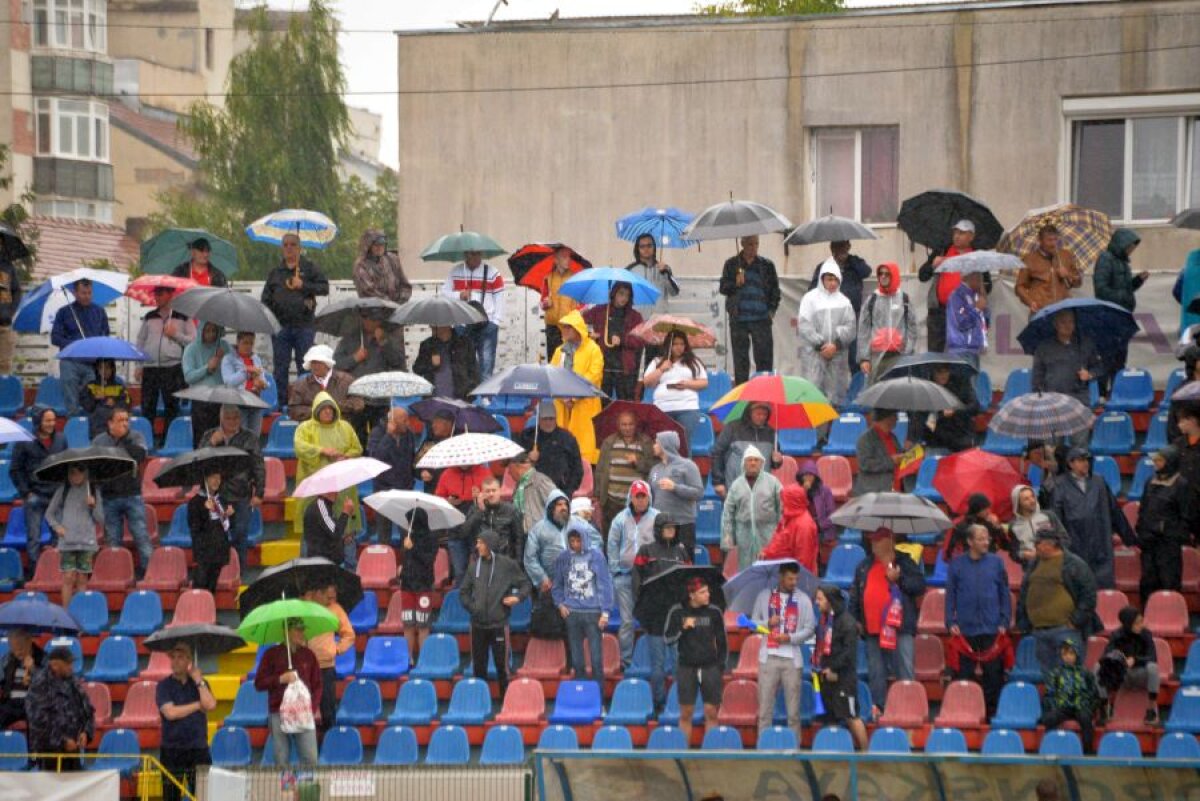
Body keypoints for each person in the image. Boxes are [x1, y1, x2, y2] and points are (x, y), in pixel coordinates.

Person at [849, 527, 926, 714]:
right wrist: (856, 619)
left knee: (904, 667)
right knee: (876, 671)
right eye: (873, 540)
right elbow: (855, 596)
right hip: (873, 628)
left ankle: (908, 707)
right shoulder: (864, 566)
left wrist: (899, 580)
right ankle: (879, 707)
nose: (873, 543)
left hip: (900, 626)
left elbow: (919, 587)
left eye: (878, 540)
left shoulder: (905, 562)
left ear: (890, 541)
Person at [945, 523, 1011, 715]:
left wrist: (1004, 621)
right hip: (966, 629)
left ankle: (992, 716)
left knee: (994, 676)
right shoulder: (956, 565)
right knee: (963, 675)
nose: (986, 542)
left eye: (987, 538)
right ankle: (963, 713)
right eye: (981, 539)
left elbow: (1004, 593)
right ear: (970, 541)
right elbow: (950, 596)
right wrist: (950, 621)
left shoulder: (997, 562)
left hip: (992, 628)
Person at [1016, 526, 1100, 675]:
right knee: (1049, 678)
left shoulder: (1074, 564)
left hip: (1065, 630)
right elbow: (1025, 592)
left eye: (1038, 543)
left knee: (1070, 676)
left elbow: (1088, 595)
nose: (1035, 547)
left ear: (1050, 544)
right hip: (1039, 630)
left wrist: (1075, 621)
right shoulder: (1034, 564)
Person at [459, 530, 531, 698]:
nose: (477, 546)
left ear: (490, 544)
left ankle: (506, 701)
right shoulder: (473, 566)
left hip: (498, 624)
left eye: (481, 543)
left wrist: (517, 598)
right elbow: (463, 592)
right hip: (477, 625)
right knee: (479, 667)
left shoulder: (507, 565)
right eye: (477, 542)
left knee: (502, 667)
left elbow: (525, 584)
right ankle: (479, 701)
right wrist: (473, 607)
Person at [750, 562, 816, 744]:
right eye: (789, 578)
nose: (793, 582)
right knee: (764, 711)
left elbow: (810, 628)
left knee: (793, 712)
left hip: (792, 660)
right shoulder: (764, 596)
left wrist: (790, 638)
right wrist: (767, 624)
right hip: (768, 657)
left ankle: (795, 750)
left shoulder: (803, 599)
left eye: (796, 578)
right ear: (781, 577)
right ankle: (763, 747)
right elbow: (753, 625)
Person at [1052, 447, 1135, 589]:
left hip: (1100, 542)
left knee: (1102, 587)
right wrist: (1060, 544)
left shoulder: (1099, 482)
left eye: (1087, 460)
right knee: (1077, 588)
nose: (1085, 463)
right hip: (1074, 543)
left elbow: (1114, 510)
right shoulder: (1059, 485)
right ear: (1070, 464)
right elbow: (1056, 517)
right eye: (1081, 460)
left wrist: (1129, 538)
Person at [632, 514, 690, 709]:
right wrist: (643, 607)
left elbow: (690, 580)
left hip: (675, 614)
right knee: (657, 666)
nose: (671, 531)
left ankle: (675, 703)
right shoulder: (646, 551)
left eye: (673, 527)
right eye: (667, 527)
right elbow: (636, 582)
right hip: (654, 615)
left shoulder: (681, 552)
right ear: (658, 529)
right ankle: (658, 703)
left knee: (676, 664)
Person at [261, 232, 330, 394]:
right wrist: (273, 318)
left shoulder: (309, 268)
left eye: (293, 244)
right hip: (280, 328)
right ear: (282, 248)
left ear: (300, 248)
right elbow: (265, 299)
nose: (289, 248)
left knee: (305, 366)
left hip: (304, 326)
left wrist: (304, 285)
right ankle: (282, 403)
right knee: (281, 367)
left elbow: (324, 288)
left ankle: (304, 402)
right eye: (285, 245)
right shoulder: (275, 272)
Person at [664, 577, 727, 745]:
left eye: (708, 591)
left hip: (710, 667)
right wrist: (682, 628)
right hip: (686, 667)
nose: (708, 595)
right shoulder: (678, 611)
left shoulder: (714, 612)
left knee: (711, 712)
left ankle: (711, 754)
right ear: (692, 595)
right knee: (686, 713)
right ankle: (683, 754)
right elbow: (667, 638)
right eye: (703, 592)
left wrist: (720, 667)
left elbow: (722, 642)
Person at [202, 405, 265, 569]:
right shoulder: (209, 435)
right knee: (216, 536)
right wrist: (211, 443)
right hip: (216, 494)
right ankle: (220, 572)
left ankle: (240, 572)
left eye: (236, 418)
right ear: (221, 418)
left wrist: (259, 492)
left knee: (240, 534)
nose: (233, 421)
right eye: (229, 418)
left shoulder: (250, 437)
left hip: (241, 493)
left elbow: (258, 465)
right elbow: (199, 460)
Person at [91, 409, 151, 579]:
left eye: (126, 420)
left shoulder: (135, 436)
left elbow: (140, 455)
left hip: (132, 494)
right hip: (109, 496)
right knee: (113, 539)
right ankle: (115, 573)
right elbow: (95, 467)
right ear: (110, 423)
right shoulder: (99, 441)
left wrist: (123, 440)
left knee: (141, 535)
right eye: (120, 420)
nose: (125, 423)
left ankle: (148, 571)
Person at [294, 391, 363, 538]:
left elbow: (357, 448)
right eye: (324, 408)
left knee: (344, 526)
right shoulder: (305, 428)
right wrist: (322, 450)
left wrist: (345, 456)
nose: (328, 411)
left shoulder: (345, 427)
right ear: (317, 410)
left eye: (330, 408)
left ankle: (347, 557)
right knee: (314, 528)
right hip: (315, 485)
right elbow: (300, 447)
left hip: (342, 484)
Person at [254, 619, 321, 765]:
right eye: (297, 629)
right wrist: (280, 679)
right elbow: (259, 683)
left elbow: (317, 685)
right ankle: (287, 788)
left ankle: (306, 788)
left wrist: (312, 707)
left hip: (304, 712)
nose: (302, 633)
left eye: (303, 629)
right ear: (286, 631)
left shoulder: (309, 655)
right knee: (281, 758)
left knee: (310, 757)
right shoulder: (271, 654)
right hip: (278, 711)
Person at [608, 480, 659, 668]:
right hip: (625, 576)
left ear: (648, 497)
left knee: (651, 619)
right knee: (627, 621)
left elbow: (663, 544)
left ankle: (650, 660)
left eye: (643, 496)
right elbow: (612, 544)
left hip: (649, 578)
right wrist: (615, 571)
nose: (640, 501)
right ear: (631, 497)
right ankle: (626, 662)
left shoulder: (657, 518)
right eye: (637, 496)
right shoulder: (620, 519)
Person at [552, 528, 614, 683]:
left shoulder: (596, 555)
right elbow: (557, 584)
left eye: (578, 540)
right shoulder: (563, 557)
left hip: (593, 612)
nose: (575, 544)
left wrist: (605, 611)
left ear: (585, 539)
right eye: (572, 541)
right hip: (572, 612)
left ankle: (598, 701)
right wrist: (560, 604)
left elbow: (605, 584)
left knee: (596, 660)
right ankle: (581, 696)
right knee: (577, 660)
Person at [157, 644, 216, 801]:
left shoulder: (200, 684)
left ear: (189, 660)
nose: (175, 661)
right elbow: (170, 713)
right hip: (172, 751)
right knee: (171, 797)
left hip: (198, 749)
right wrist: (197, 705)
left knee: (203, 796)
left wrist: (199, 681)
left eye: (181, 657)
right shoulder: (164, 686)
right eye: (173, 657)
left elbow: (210, 705)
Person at [11, 407, 66, 575]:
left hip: (56, 495)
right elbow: (15, 470)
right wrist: (26, 492)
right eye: (47, 420)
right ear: (38, 422)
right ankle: (36, 572)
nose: (51, 424)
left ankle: (57, 571)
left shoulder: (62, 439)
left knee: (59, 536)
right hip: (35, 495)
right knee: (33, 537)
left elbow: (66, 465)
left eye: (53, 420)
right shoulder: (24, 442)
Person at [135, 286, 194, 445]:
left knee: (171, 407)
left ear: (170, 295)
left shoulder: (183, 316)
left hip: (172, 368)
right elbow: (140, 341)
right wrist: (138, 365)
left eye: (160, 294)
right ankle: (146, 440)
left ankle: (169, 441)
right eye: (155, 294)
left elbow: (193, 341)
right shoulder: (149, 316)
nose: (157, 297)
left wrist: (175, 335)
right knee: (147, 406)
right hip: (150, 367)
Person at [813, 584, 868, 750]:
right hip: (826, 678)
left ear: (830, 601)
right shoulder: (823, 621)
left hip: (844, 679)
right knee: (830, 719)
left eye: (820, 599)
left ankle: (866, 753)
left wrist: (834, 669)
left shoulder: (847, 623)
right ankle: (834, 751)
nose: (817, 602)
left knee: (851, 717)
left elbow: (849, 653)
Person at [720, 235, 780, 384]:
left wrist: (771, 311)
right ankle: (742, 396)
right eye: (750, 244)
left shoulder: (767, 265)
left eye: (756, 244)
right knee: (740, 362)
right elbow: (723, 288)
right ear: (742, 244)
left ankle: (764, 393)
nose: (753, 248)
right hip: (739, 320)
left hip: (761, 320)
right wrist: (736, 282)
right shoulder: (732, 264)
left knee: (764, 360)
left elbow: (775, 291)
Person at [1092, 229, 1147, 394]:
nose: (1131, 250)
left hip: (1122, 318)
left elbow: (1126, 288)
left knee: (1120, 360)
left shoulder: (1123, 262)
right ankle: (1101, 394)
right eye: (1129, 246)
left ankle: (1116, 393)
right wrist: (1123, 296)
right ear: (1121, 244)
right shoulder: (1105, 259)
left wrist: (1137, 281)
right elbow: (1101, 290)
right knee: (1106, 358)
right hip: (1108, 318)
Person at [25, 646, 94, 772]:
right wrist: (62, 741)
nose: (71, 667)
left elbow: (87, 709)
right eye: (68, 664)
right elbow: (38, 721)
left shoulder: (73, 682)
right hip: (50, 753)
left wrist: (86, 732)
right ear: (55, 665)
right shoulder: (40, 685)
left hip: (73, 750)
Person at [797, 260, 856, 405]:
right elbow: (804, 325)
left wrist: (835, 345)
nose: (833, 283)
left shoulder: (844, 302)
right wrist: (821, 345)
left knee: (836, 396)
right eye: (829, 279)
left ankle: (833, 426)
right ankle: (815, 427)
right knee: (813, 394)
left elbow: (851, 327)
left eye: (836, 279)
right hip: (815, 356)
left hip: (837, 356)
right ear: (822, 278)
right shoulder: (810, 299)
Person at [1031, 310, 1102, 430]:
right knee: (1053, 445)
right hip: (1052, 401)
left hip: (1079, 401)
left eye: (1071, 322)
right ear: (1055, 324)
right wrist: (1040, 398)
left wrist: (1089, 374)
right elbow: (1037, 376)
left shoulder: (1085, 344)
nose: (1067, 325)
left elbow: (1100, 367)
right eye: (1063, 322)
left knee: (1079, 445)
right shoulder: (1044, 347)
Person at [441, 249, 505, 380]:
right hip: (462, 325)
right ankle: (466, 396)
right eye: (473, 254)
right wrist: (459, 295)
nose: (477, 257)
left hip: (486, 325)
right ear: (465, 255)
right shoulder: (455, 272)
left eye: (479, 253)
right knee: (462, 364)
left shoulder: (493, 273)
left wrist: (496, 322)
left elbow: (500, 298)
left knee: (486, 365)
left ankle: (486, 397)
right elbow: (444, 294)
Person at [550, 310, 604, 462]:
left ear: (577, 329)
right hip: (562, 406)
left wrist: (573, 397)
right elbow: (552, 377)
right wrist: (563, 398)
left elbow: (593, 377)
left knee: (584, 445)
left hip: (585, 405)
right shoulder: (559, 351)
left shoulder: (593, 349)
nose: (565, 331)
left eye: (568, 327)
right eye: (564, 327)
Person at [51, 278, 110, 417]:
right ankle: (73, 422)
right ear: (74, 292)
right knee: (71, 396)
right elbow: (55, 337)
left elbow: (105, 335)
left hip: (93, 363)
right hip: (70, 361)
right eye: (83, 293)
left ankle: (91, 425)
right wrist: (74, 344)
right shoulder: (64, 312)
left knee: (92, 397)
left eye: (89, 292)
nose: (87, 296)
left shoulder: (100, 311)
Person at [1137, 445, 1191, 597]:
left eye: (1160, 460)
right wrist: (1142, 531)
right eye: (1156, 460)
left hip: (1168, 545)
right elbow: (1143, 508)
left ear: (1170, 461)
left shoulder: (1181, 484)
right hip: (1148, 542)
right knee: (1148, 583)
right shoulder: (1150, 481)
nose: (1156, 463)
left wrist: (1167, 531)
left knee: (1168, 582)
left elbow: (1185, 516)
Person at [352, 229, 411, 365]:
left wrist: (399, 304)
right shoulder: (361, 266)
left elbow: (405, 286)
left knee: (398, 361)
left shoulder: (393, 259)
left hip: (395, 320)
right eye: (376, 244)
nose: (380, 247)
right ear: (368, 245)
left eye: (382, 244)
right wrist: (391, 305)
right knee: (376, 363)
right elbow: (369, 292)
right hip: (373, 321)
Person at [302, 583, 354, 736]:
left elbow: (349, 634)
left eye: (334, 597)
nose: (332, 600)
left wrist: (336, 649)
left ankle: (329, 744)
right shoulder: (303, 608)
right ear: (317, 592)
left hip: (326, 666)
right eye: (329, 597)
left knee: (328, 709)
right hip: (305, 666)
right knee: (305, 709)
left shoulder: (336, 609)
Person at [46, 465, 102, 607]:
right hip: (67, 542)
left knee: (83, 578)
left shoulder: (94, 490)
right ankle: (67, 614)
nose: (75, 477)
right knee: (68, 577)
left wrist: (93, 506)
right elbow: (49, 513)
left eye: (78, 473)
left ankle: (80, 611)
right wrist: (57, 526)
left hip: (86, 541)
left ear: (85, 473)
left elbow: (101, 519)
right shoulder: (63, 490)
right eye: (72, 474)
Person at [917, 219, 977, 353]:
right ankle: (934, 374)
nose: (957, 235)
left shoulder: (977, 256)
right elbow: (922, 275)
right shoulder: (942, 250)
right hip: (939, 312)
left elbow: (987, 286)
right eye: (955, 231)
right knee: (935, 354)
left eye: (961, 232)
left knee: (961, 355)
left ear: (971, 236)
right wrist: (932, 265)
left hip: (963, 313)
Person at [525, 490, 601, 595]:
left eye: (566, 504)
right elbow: (530, 558)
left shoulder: (578, 523)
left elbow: (596, 540)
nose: (564, 507)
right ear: (551, 508)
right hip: (550, 585)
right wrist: (541, 578)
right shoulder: (538, 529)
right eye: (559, 504)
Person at [594, 409, 655, 535]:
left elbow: (653, 467)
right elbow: (600, 469)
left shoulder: (645, 442)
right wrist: (598, 494)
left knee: (634, 537)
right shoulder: (609, 442)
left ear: (636, 424)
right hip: (611, 501)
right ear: (618, 425)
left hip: (636, 502)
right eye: (624, 424)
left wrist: (637, 462)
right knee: (610, 537)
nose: (627, 428)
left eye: (630, 424)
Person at [815, 240, 872, 374]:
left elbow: (867, 271)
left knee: (855, 357)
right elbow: (813, 289)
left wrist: (850, 260)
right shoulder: (824, 267)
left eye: (844, 246)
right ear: (831, 248)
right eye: (837, 246)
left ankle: (857, 390)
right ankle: (831, 392)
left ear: (849, 246)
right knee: (830, 356)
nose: (841, 250)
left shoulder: (855, 263)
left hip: (853, 315)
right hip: (830, 318)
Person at [720, 446, 783, 567]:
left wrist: (780, 536)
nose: (753, 463)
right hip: (744, 538)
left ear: (762, 463)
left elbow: (782, 509)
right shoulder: (736, 485)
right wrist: (727, 536)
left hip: (769, 537)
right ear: (744, 463)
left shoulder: (773, 482)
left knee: (769, 572)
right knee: (746, 573)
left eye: (756, 460)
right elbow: (728, 512)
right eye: (749, 460)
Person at [642, 329, 709, 439]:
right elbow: (647, 383)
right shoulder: (657, 361)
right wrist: (661, 369)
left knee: (684, 442)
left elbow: (704, 383)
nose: (679, 347)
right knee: (664, 443)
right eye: (675, 344)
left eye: (682, 344)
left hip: (687, 408)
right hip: (663, 408)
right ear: (669, 345)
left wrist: (687, 384)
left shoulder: (693, 361)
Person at [582, 282, 644, 401]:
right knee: (602, 403)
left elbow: (639, 340)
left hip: (624, 369)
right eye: (621, 294)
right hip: (603, 366)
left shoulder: (635, 316)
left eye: (627, 295)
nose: (624, 298)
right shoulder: (599, 311)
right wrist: (589, 334)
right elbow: (579, 324)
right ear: (614, 293)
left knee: (625, 405)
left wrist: (622, 340)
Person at [435, 460, 493, 583]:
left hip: (478, 530)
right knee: (460, 571)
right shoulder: (446, 474)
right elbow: (438, 500)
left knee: (481, 570)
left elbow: (493, 497)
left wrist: (481, 497)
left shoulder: (484, 472)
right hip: (455, 528)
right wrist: (448, 501)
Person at [1100, 606, 1160, 724]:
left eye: (1142, 622)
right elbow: (1106, 656)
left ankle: (1151, 709)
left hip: (1141, 673)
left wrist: (1136, 660)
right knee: (1099, 668)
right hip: (1122, 675)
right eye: (1137, 623)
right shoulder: (1116, 635)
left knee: (1153, 668)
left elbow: (1153, 657)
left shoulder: (1146, 634)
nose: (1141, 625)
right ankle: (1105, 708)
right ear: (1128, 624)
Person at [710, 402, 783, 499]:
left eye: (764, 414)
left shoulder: (771, 432)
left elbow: (774, 463)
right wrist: (718, 482)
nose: (762, 417)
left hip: (762, 491)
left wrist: (777, 461)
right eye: (758, 414)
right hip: (734, 487)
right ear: (749, 413)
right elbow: (717, 453)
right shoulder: (732, 428)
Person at [856, 262, 916, 380]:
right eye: (880, 274)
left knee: (899, 389)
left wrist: (908, 352)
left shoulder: (904, 299)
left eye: (887, 274)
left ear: (894, 275)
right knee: (878, 389)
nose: (883, 276)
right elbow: (863, 330)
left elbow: (912, 328)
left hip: (899, 355)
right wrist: (864, 358)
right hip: (877, 356)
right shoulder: (872, 299)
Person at [1040, 639, 1100, 753]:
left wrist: (1088, 706)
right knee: (1050, 718)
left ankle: (1087, 752)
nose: (1068, 657)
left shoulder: (1085, 673)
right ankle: (1050, 750)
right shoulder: (1056, 673)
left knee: (1086, 719)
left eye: (1071, 653)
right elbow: (1050, 693)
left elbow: (1093, 692)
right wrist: (1054, 707)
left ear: (1077, 654)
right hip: (1062, 707)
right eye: (1065, 654)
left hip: (1081, 706)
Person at [367, 407, 416, 545]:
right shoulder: (377, 433)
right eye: (404, 420)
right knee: (383, 534)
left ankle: (407, 565)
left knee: (407, 534)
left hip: (404, 490)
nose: (408, 423)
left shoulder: (409, 434)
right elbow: (376, 458)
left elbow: (411, 459)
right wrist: (388, 436)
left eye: (408, 419)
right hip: (383, 490)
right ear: (393, 421)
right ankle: (384, 564)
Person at [648, 431, 703, 553]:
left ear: (665, 445)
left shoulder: (688, 465)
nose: (654, 446)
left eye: (656, 443)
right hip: (660, 525)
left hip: (682, 524)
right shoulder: (655, 469)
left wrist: (675, 487)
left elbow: (698, 493)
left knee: (685, 564)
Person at [516, 400, 583, 497]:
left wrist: (568, 491)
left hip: (560, 490)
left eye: (551, 419)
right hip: (532, 490)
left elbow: (577, 469)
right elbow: (516, 463)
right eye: (545, 419)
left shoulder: (567, 438)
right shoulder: (527, 436)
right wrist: (528, 458)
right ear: (538, 419)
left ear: (556, 419)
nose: (548, 422)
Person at [182, 322, 232, 447]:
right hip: (200, 401)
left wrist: (224, 360)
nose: (210, 334)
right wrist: (207, 368)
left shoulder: (224, 346)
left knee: (221, 440)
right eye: (207, 330)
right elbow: (188, 377)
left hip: (221, 400)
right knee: (201, 440)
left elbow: (233, 372)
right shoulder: (191, 349)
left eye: (214, 330)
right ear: (201, 331)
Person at [397, 508, 439, 659]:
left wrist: (413, 548)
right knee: (408, 624)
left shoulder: (432, 538)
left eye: (410, 522)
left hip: (424, 586)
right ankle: (408, 659)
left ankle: (423, 660)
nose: (408, 526)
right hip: (407, 585)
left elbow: (428, 561)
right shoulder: (407, 537)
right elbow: (406, 559)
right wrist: (401, 568)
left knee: (423, 625)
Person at [286, 344, 363, 423]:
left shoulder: (346, 381)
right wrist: (317, 411)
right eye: (313, 362)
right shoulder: (300, 385)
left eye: (319, 362)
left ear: (328, 364)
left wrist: (334, 407)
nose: (315, 366)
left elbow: (359, 403)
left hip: (340, 430)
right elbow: (292, 410)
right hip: (312, 431)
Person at [910, 364, 979, 453]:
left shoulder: (961, 384)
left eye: (946, 371)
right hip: (936, 440)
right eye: (939, 372)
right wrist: (940, 415)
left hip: (960, 435)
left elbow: (975, 407)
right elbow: (921, 419)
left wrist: (956, 411)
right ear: (932, 372)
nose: (943, 375)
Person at [1016, 224, 1082, 313]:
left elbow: (1078, 282)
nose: (1054, 244)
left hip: (1064, 310)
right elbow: (1019, 287)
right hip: (1041, 310)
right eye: (1049, 240)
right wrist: (1030, 302)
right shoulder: (1029, 259)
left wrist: (1068, 275)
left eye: (1055, 239)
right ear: (1040, 240)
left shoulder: (1066, 255)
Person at [188, 468, 232, 593]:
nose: (216, 481)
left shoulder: (222, 500)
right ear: (205, 479)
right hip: (204, 552)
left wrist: (229, 515)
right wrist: (204, 510)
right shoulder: (195, 502)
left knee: (212, 587)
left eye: (218, 477)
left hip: (219, 550)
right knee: (201, 586)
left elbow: (227, 527)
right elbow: (195, 528)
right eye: (213, 477)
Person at [461, 475, 524, 560]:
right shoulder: (475, 509)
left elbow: (519, 539)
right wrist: (480, 511)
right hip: (482, 559)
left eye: (494, 490)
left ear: (500, 491)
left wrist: (517, 563)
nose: (491, 494)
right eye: (487, 491)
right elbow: (464, 532)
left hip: (504, 558)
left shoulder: (511, 510)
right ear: (482, 493)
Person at [760, 484, 819, 573]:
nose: (782, 503)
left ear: (792, 501)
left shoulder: (804, 525)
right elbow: (779, 541)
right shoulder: (789, 518)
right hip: (782, 572)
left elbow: (804, 558)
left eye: (784, 500)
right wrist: (767, 553)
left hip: (792, 578)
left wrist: (796, 579)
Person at [412, 325, 479, 401]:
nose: (431, 326)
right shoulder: (427, 345)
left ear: (447, 325)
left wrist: (470, 394)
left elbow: (474, 371)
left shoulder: (464, 343)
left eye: (435, 324)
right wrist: (431, 364)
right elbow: (417, 369)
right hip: (434, 400)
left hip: (460, 399)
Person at [221, 331, 269, 435]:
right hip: (237, 403)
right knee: (239, 437)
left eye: (251, 343)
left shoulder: (256, 358)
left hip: (255, 401)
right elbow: (228, 382)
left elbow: (263, 378)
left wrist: (262, 384)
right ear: (238, 342)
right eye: (245, 343)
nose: (248, 346)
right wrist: (246, 372)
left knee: (254, 437)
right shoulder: (228, 359)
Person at [539, 245, 582, 361]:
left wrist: (576, 312)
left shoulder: (575, 278)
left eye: (569, 257)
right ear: (556, 260)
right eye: (564, 257)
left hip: (569, 326)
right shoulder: (548, 277)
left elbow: (582, 303)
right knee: (553, 359)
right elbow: (542, 302)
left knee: (568, 359)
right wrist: (545, 303)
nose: (568, 260)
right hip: (552, 325)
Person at [1008, 484, 1067, 566]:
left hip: (1055, 565)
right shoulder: (1014, 526)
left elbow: (1065, 538)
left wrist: (1053, 550)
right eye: (1026, 499)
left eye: (1032, 496)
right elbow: (1014, 552)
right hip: (1032, 569)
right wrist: (1023, 555)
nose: (1032, 500)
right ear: (1018, 503)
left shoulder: (1049, 516)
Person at [333, 314, 408, 379]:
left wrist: (384, 343)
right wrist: (354, 358)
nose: (369, 321)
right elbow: (336, 364)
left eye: (373, 318)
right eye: (365, 317)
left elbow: (398, 362)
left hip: (380, 388)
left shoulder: (390, 336)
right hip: (354, 388)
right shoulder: (349, 339)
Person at [941, 493, 1010, 563]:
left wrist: (998, 527)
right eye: (984, 509)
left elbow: (1005, 545)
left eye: (988, 508)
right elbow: (950, 548)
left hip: (988, 563)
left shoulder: (989, 523)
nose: (988, 511)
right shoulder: (961, 524)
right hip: (967, 565)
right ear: (977, 509)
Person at [626, 233, 679, 314]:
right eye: (642, 246)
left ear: (654, 247)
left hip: (659, 318)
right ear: (637, 249)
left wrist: (665, 273)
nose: (646, 249)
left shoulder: (665, 268)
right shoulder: (630, 270)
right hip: (637, 318)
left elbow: (674, 292)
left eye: (649, 245)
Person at [0, 630, 43, 729]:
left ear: (29, 642)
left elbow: (48, 683)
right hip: (10, 702)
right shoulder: (8, 659)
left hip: (34, 703)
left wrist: (33, 670)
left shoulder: (42, 658)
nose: (17, 652)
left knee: (40, 719)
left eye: (20, 648)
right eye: (14, 649)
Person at [80, 358, 132, 439]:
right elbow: (87, 406)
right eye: (101, 368)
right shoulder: (90, 386)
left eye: (107, 368)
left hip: (115, 424)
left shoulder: (119, 387)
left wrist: (114, 403)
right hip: (97, 426)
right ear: (97, 369)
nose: (104, 371)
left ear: (112, 369)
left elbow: (126, 403)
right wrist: (95, 398)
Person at [508, 452, 558, 535]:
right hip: (524, 535)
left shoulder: (541, 481)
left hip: (541, 535)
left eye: (509, 468)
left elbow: (557, 504)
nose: (509, 473)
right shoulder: (519, 486)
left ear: (517, 466)